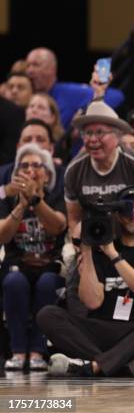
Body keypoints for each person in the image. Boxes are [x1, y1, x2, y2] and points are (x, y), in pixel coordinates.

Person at [37, 186, 134, 376]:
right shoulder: (99, 252)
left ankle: (93, 365)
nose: (133, 214)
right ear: (119, 216)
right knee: (47, 315)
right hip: (100, 329)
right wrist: (87, 252)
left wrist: (112, 254)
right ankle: (119, 362)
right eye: (127, 209)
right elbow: (92, 301)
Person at [0, 143, 66, 371]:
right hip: (17, 265)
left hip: (50, 265)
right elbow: (2, 235)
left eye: (37, 165)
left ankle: (38, 351)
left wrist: (36, 201)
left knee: (48, 283)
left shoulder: (57, 195)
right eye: (24, 165)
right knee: (13, 282)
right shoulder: (6, 197)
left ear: (47, 175)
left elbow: (58, 226)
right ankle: (18, 352)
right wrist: (20, 206)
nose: (30, 170)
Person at [63, 100, 134, 243]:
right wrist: (81, 251)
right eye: (88, 133)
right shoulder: (74, 170)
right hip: (91, 240)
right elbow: (74, 219)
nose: (93, 139)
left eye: (100, 133)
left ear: (118, 136)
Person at [25, 48, 125, 129]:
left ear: (52, 69)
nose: (29, 70)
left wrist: (85, 114)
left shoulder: (69, 93)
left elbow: (116, 97)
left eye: (35, 65)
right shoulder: (22, 95)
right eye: (28, 65)